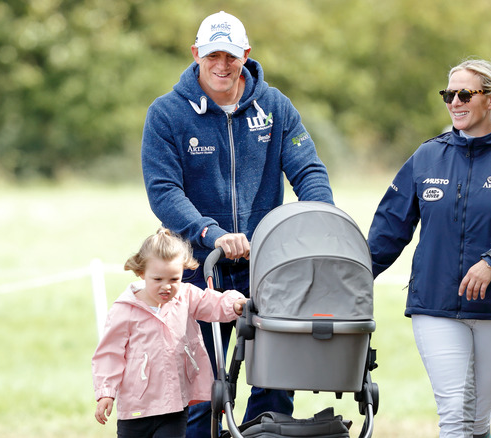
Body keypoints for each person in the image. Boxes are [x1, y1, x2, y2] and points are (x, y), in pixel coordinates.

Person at [140, 10, 334, 437]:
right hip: (196, 271)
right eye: (212, 55)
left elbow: (308, 171)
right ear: (196, 55)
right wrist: (211, 234)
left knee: (275, 388)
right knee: (202, 392)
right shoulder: (167, 114)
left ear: (246, 55)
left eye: (231, 56)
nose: (222, 65)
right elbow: (164, 192)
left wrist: (322, 221)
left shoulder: (276, 106)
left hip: (269, 270)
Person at [367, 59, 491, 438]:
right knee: (454, 412)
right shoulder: (426, 157)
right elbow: (389, 229)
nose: (454, 101)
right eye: (448, 94)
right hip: (435, 305)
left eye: (464, 94)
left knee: (476, 420)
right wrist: (355, 277)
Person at [92, 228, 247, 438]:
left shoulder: (185, 296)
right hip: (136, 409)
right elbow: (110, 355)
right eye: (157, 280)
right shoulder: (124, 310)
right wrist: (106, 393)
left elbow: (211, 301)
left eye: (174, 279)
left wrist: (235, 304)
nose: (167, 287)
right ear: (141, 274)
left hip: (174, 406)